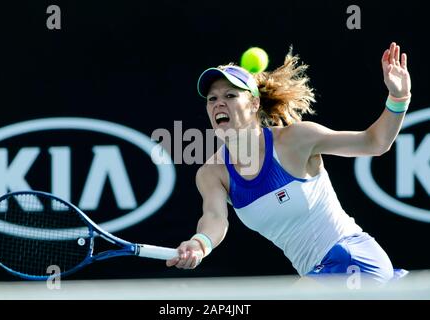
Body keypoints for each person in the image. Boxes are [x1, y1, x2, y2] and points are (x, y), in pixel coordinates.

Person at [166, 42, 411, 284]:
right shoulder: (212, 173)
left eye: (230, 95)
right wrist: (199, 244)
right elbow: (215, 218)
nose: (219, 103)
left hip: (352, 257)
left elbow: (374, 142)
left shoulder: (295, 140)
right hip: (318, 273)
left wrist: (399, 96)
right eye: (212, 98)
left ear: (254, 104)